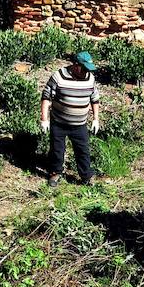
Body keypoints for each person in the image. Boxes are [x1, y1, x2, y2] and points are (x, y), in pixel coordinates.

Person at [40, 51, 101, 187]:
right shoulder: (59, 77)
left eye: (88, 69)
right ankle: (55, 173)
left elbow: (94, 98)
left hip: (80, 124)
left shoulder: (90, 78)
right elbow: (46, 96)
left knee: (83, 151)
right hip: (59, 123)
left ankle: (86, 176)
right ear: (75, 65)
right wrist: (44, 119)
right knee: (57, 150)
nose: (86, 72)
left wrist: (96, 119)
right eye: (84, 68)